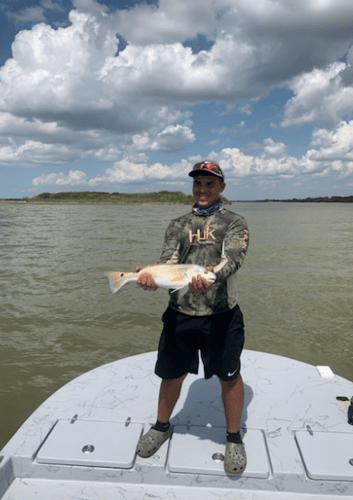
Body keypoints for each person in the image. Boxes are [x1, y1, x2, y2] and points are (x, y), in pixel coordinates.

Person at [135, 160, 249, 475]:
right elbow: (168, 261)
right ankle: (161, 426)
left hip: (221, 314)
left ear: (222, 187)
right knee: (170, 374)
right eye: (198, 183)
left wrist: (210, 277)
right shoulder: (177, 224)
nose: (202, 189)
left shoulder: (235, 222)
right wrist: (151, 277)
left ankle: (233, 437)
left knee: (229, 377)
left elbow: (232, 261)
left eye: (209, 183)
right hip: (179, 314)